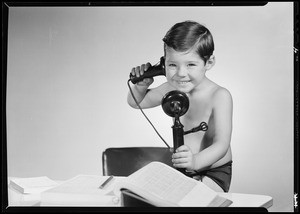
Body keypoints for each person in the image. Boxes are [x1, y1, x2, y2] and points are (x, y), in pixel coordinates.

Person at [127, 20, 233, 192]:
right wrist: (141, 86)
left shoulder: (219, 96)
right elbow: (135, 102)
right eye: (172, 65)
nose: (181, 73)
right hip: (183, 167)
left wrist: (196, 161)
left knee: (198, 201)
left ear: (209, 62)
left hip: (213, 170)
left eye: (191, 64)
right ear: (163, 64)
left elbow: (221, 144)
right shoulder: (171, 87)